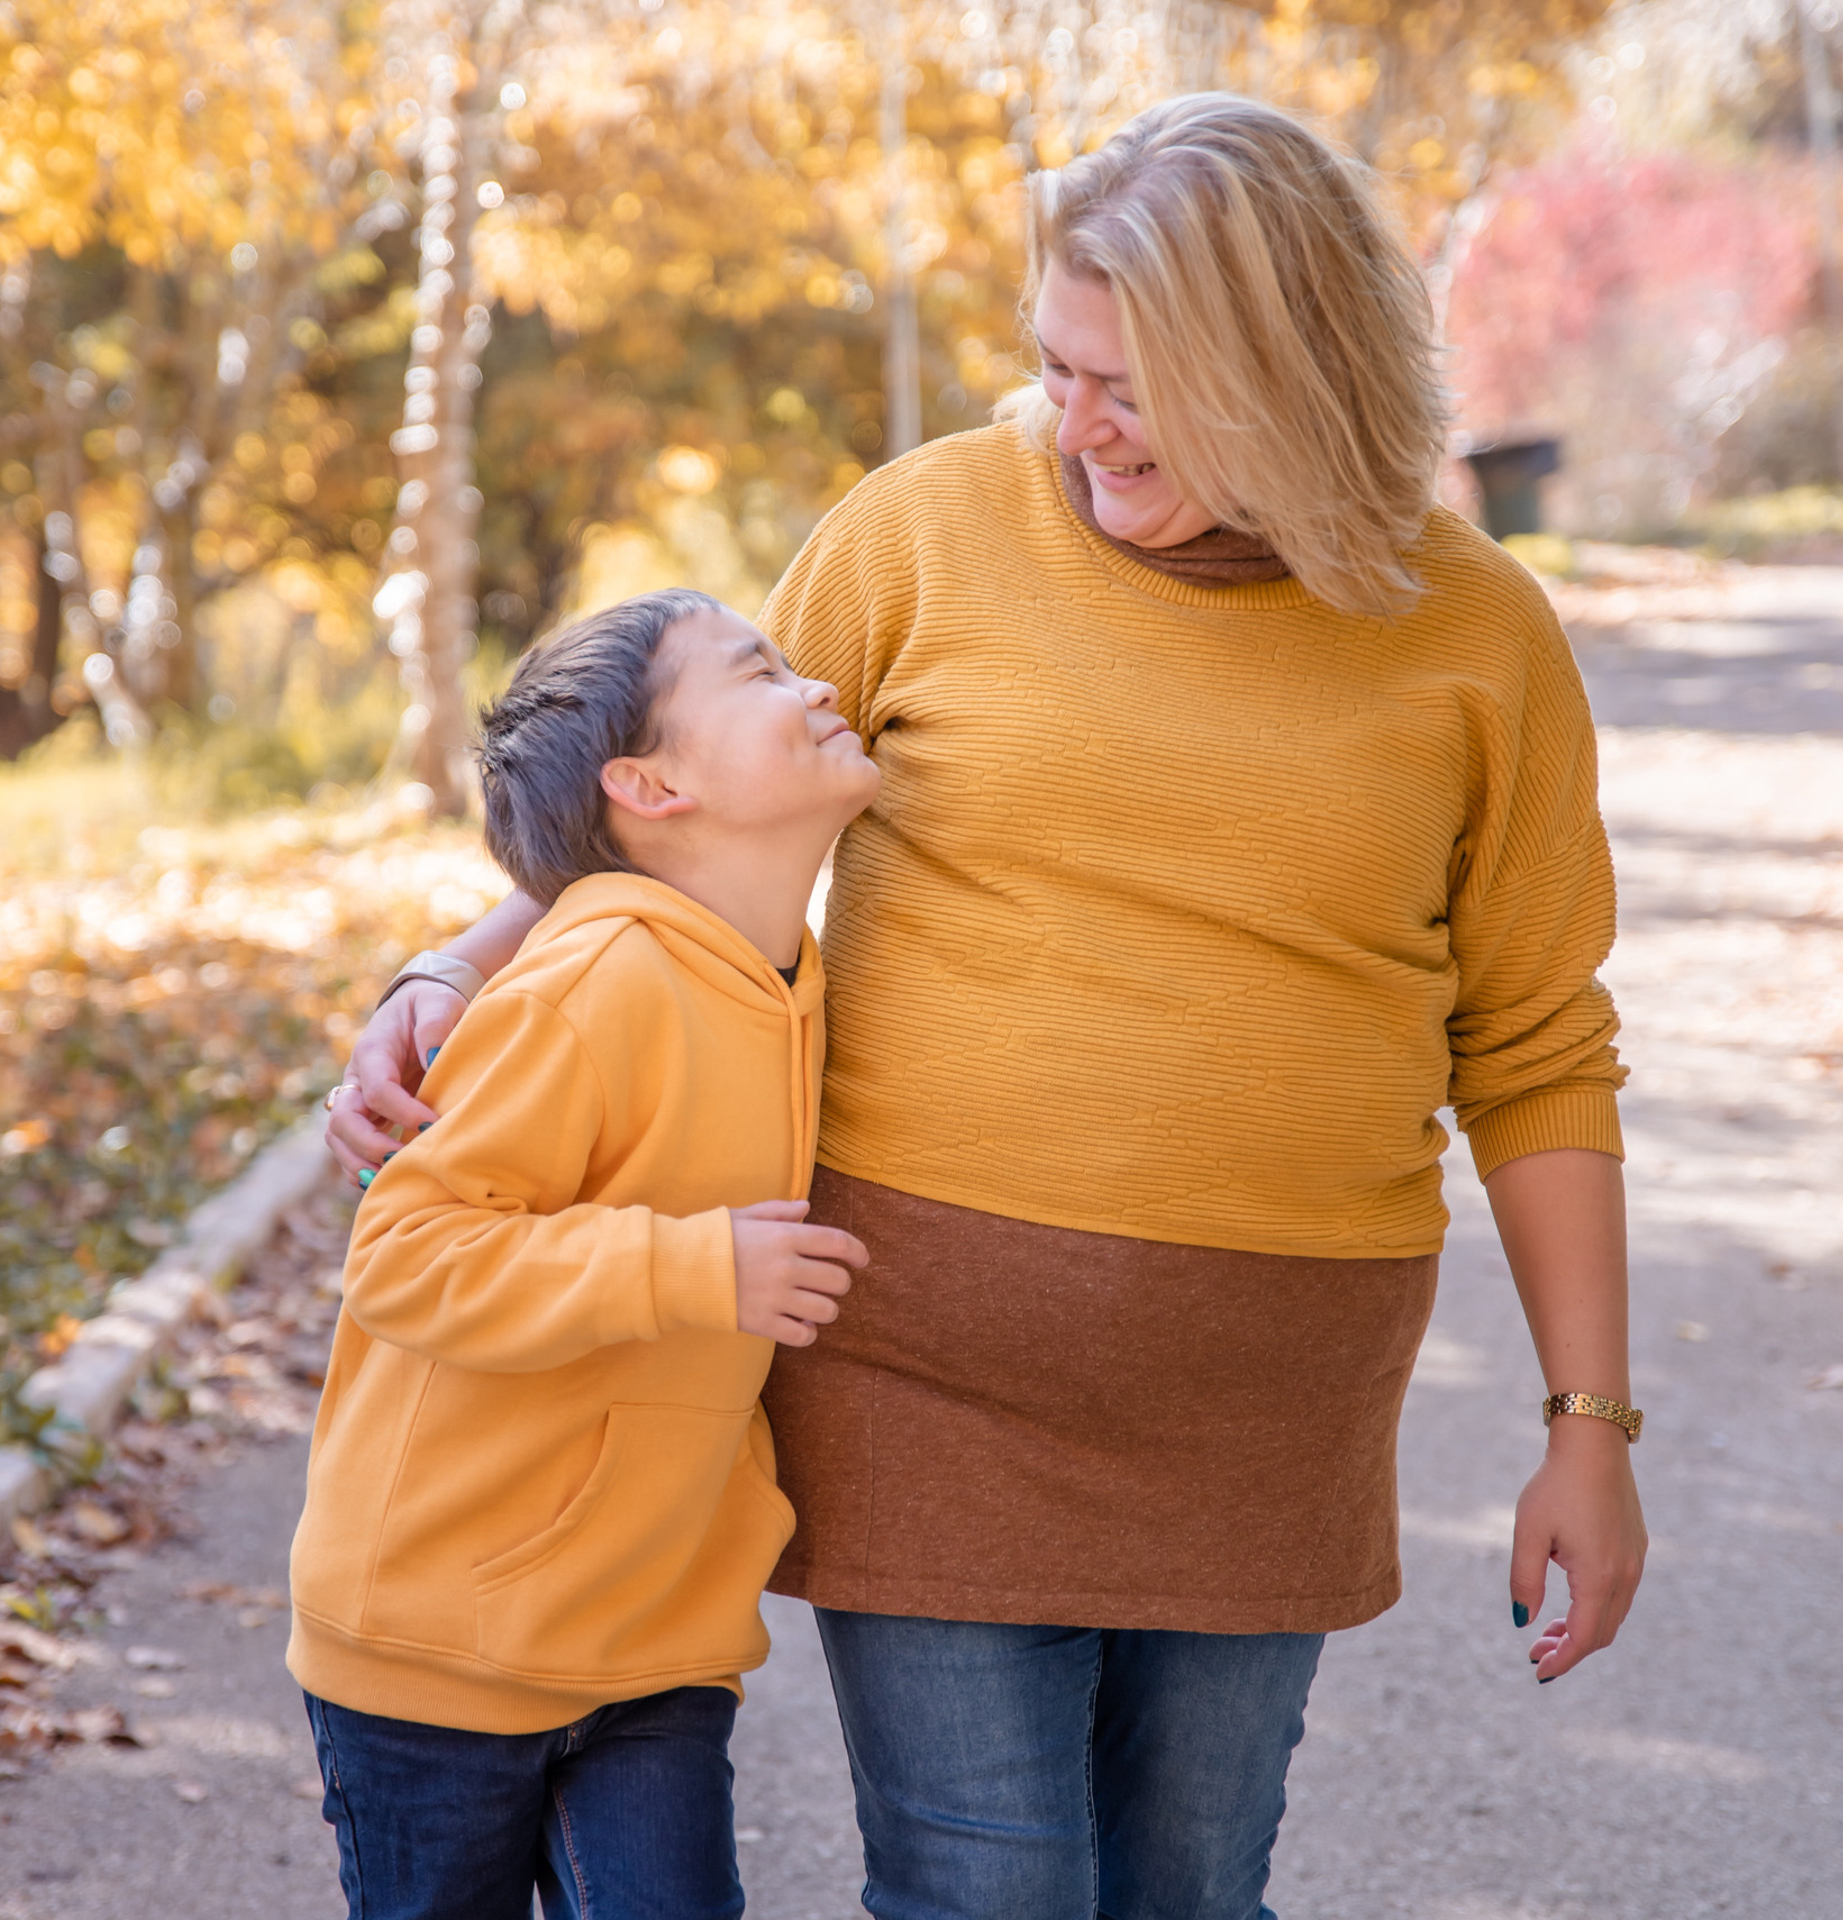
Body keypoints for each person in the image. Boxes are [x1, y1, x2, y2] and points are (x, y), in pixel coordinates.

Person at [327, 95, 1647, 1920]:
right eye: (1052, 365)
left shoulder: (1475, 636)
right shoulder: (928, 530)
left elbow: (1536, 1042)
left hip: (1265, 1410)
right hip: (920, 1370)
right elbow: (682, 800)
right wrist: (451, 968)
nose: (1074, 425)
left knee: (1189, 1893)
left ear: (1293, 370)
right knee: (981, 1899)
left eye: (1132, 384)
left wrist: (1592, 1423)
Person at [290, 588, 877, 1920]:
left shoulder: (790, 975)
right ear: (650, 784)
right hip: (437, 1651)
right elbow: (407, 1253)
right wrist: (690, 1271)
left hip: (650, 1639)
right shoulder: (593, 983)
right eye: (761, 672)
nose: (818, 687)